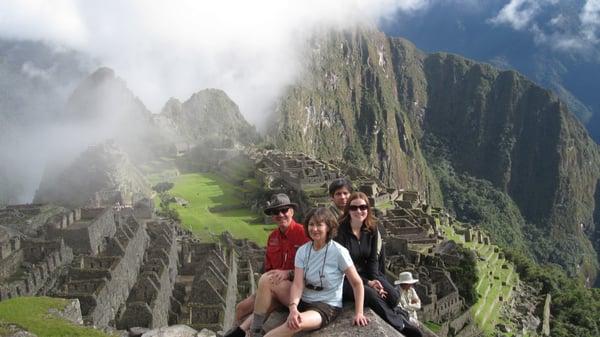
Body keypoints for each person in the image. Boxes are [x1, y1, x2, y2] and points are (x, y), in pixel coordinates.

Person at [262, 207, 369, 337]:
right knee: (268, 280)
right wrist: (293, 307)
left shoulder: (339, 252)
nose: (314, 229)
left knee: (294, 324)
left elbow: (357, 283)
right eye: (311, 224)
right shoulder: (302, 251)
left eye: (319, 225)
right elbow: (297, 284)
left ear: (328, 227)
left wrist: (359, 313)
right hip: (303, 299)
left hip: (326, 305)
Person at [335, 192, 422, 337]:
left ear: (368, 209)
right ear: (348, 210)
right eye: (354, 208)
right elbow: (341, 267)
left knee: (393, 295)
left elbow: (373, 260)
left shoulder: (372, 229)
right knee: (371, 295)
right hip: (345, 278)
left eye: (363, 207)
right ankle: (400, 324)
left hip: (366, 274)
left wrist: (377, 280)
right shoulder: (340, 232)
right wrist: (369, 283)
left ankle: (398, 312)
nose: (358, 211)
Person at [225, 193, 309, 337]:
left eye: (284, 210)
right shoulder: (273, 237)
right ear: (272, 216)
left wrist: (288, 273)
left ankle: (252, 332)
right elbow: (269, 267)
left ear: (292, 212)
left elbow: (312, 268)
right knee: (241, 308)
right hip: (274, 284)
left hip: (298, 288)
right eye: (276, 212)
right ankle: (235, 332)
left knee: (267, 292)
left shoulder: (304, 234)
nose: (281, 215)